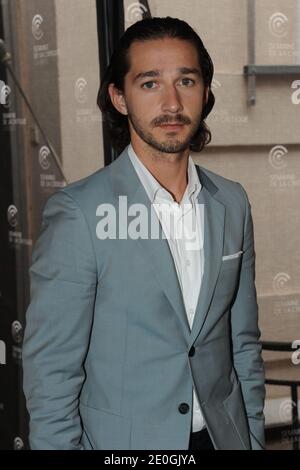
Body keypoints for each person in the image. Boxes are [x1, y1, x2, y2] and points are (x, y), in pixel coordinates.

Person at [22, 16, 265, 450]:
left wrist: (255, 440)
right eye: (150, 84)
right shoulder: (80, 213)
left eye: (186, 81)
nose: (171, 103)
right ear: (119, 96)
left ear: (206, 92)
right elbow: (51, 374)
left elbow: (242, 344)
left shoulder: (232, 203)